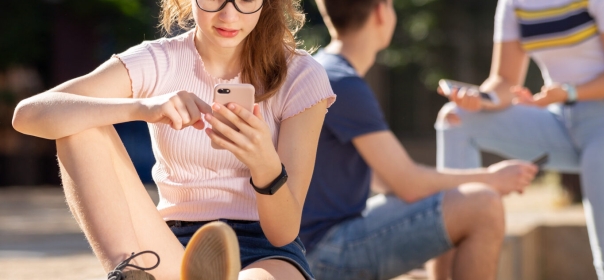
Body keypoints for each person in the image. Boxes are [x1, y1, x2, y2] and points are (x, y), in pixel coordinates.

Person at [12, 0, 335, 278]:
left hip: (266, 249)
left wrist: (263, 160)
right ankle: (130, 271)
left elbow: (283, 233)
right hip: (168, 244)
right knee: (78, 121)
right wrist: (143, 107)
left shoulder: (300, 74)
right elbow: (29, 114)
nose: (228, 15)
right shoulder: (158, 59)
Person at [299, 0, 539, 279]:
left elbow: (389, 181)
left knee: (450, 200)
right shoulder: (343, 83)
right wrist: (492, 178)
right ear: (381, 11)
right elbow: (409, 184)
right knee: (482, 205)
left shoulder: (325, 70)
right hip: (324, 255)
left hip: (314, 246)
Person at [436, 0, 604, 279]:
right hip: (561, 118)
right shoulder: (513, 3)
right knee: (456, 118)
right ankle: (459, 228)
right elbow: (503, 80)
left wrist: (569, 92)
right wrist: (481, 99)